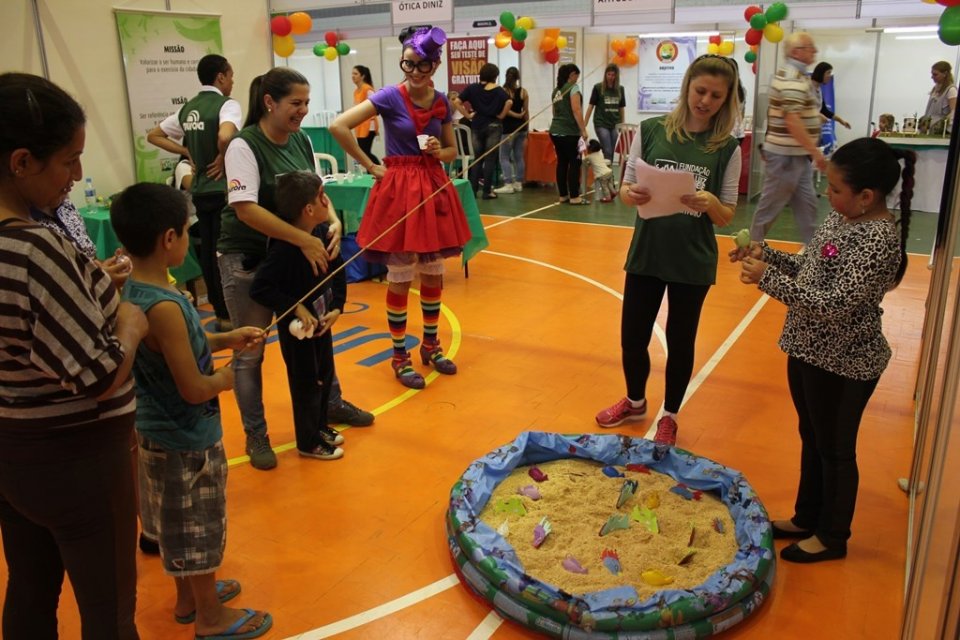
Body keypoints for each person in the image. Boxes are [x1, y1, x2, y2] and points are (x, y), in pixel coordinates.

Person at [0, 72, 148, 639]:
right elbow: (101, 373)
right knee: (109, 611)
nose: (78, 176)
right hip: (76, 458)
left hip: (14, 450)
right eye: (67, 161)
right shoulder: (35, 247)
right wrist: (129, 326)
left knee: (29, 590)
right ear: (20, 162)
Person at [732, 137, 915, 563]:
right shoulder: (843, 220)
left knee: (835, 448)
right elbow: (811, 269)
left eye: (834, 189)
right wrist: (769, 255)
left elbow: (833, 305)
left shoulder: (877, 239)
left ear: (867, 196)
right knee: (812, 438)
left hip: (845, 362)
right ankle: (806, 516)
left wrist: (765, 278)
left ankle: (832, 536)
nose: (826, 195)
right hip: (809, 351)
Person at [112, 182, 272, 638]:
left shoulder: (140, 292)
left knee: (178, 524)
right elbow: (194, 388)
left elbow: (181, 348)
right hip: (185, 440)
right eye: (186, 231)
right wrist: (230, 375)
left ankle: (188, 599)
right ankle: (209, 617)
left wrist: (226, 338)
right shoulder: (164, 305)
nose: (189, 239)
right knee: (197, 529)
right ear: (169, 239)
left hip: (160, 435)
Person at [218, 68, 370, 470]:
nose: (303, 111)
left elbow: (317, 192)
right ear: (269, 102)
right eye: (295, 104)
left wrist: (332, 223)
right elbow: (245, 209)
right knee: (250, 352)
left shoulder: (300, 139)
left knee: (317, 336)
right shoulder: (243, 145)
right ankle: (256, 434)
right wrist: (302, 238)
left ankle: (327, 408)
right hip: (251, 260)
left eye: (306, 102)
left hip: (299, 258)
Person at [595, 55, 742, 446]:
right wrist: (632, 193)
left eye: (715, 95)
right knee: (632, 337)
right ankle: (636, 400)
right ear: (687, 87)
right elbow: (626, 190)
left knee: (680, 341)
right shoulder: (652, 130)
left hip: (692, 261)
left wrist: (711, 202)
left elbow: (727, 215)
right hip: (647, 252)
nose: (705, 100)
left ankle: (670, 415)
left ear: (726, 100)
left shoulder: (728, 147)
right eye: (700, 91)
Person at [329, 26, 471, 390]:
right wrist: (371, 164)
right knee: (402, 272)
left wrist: (441, 152)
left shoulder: (440, 101)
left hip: (433, 185)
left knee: (433, 271)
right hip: (401, 187)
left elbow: (452, 150)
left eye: (422, 65)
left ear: (434, 66)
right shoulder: (390, 96)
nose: (414, 71)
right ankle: (399, 355)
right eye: (409, 63)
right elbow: (339, 126)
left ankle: (431, 345)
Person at [250, 171, 347, 460]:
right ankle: (308, 442)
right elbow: (261, 288)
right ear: (308, 209)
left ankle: (319, 426)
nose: (327, 202)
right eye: (322, 197)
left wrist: (337, 308)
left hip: (322, 323)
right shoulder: (284, 248)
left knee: (324, 375)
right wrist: (295, 306)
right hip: (299, 331)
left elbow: (338, 270)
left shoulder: (320, 233)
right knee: (306, 384)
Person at [147, 54, 241, 332]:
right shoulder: (227, 105)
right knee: (226, 253)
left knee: (210, 253)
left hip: (200, 192)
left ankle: (221, 313)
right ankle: (232, 312)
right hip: (223, 192)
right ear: (221, 76)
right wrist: (224, 157)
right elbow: (225, 136)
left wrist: (187, 150)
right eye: (231, 75)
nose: (233, 81)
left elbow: (154, 135)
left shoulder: (188, 109)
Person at [749, 32, 825, 245]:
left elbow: (792, 112)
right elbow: (792, 121)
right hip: (786, 156)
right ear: (796, 52)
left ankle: (813, 254)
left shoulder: (799, 77)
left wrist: (813, 117)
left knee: (808, 207)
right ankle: (753, 247)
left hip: (796, 156)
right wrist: (815, 151)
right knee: (770, 207)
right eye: (810, 47)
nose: (815, 52)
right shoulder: (791, 77)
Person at [454, 63, 511, 200]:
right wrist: (502, 115)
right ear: (495, 76)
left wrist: (467, 116)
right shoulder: (499, 91)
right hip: (494, 125)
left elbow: (456, 101)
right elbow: (509, 102)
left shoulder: (473, 88)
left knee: (477, 159)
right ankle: (487, 191)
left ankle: (473, 191)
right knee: (490, 159)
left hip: (477, 125)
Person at [549, 63, 590, 205]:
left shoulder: (556, 91)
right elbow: (576, 110)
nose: (577, 79)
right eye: (576, 76)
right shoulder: (574, 88)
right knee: (574, 162)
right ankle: (574, 196)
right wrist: (583, 129)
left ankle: (563, 195)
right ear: (571, 75)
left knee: (562, 162)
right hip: (569, 132)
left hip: (555, 131)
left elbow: (554, 112)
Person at [494, 67, 529, 195]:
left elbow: (503, 110)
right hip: (521, 128)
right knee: (518, 156)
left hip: (507, 129)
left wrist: (515, 115)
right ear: (518, 77)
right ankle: (518, 183)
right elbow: (526, 112)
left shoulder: (502, 92)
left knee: (504, 156)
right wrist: (527, 127)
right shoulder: (523, 92)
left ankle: (508, 183)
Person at [584, 63, 626, 164]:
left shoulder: (620, 89)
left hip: (615, 123)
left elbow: (621, 108)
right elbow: (591, 106)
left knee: (611, 150)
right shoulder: (598, 88)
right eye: (609, 74)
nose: (611, 77)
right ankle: (607, 176)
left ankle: (606, 172)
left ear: (616, 76)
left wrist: (622, 124)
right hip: (601, 123)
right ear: (605, 75)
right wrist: (584, 125)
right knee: (608, 150)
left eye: (613, 75)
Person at [352, 65, 380, 166]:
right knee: (364, 153)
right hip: (359, 126)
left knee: (365, 153)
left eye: (355, 74)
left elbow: (375, 107)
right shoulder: (356, 91)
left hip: (369, 127)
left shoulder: (368, 89)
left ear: (362, 76)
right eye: (352, 74)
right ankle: (372, 173)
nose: (353, 76)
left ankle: (379, 171)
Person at [811, 62, 851, 131]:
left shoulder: (819, 89)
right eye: (828, 73)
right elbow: (802, 109)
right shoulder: (807, 87)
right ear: (821, 73)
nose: (830, 76)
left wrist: (841, 121)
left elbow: (824, 111)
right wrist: (818, 115)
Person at [923, 60, 957, 134]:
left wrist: (945, 129)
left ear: (945, 74)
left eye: (935, 74)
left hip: (941, 131)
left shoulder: (951, 90)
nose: (932, 77)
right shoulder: (935, 89)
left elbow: (953, 112)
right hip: (928, 128)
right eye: (932, 74)